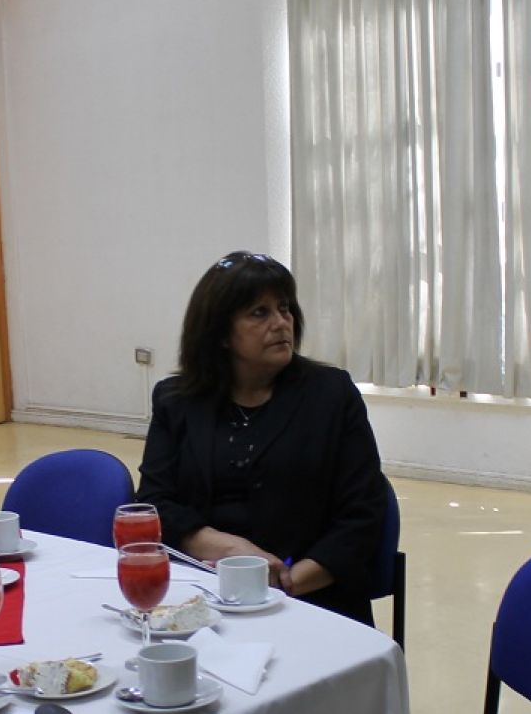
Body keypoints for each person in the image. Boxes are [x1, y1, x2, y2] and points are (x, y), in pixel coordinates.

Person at [136, 251, 387, 625]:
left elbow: (365, 511)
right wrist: (227, 549)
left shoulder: (331, 395)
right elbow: (154, 503)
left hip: (310, 598)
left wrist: (290, 581)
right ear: (220, 333)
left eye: (284, 309)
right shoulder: (177, 401)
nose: (281, 322)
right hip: (199, 591)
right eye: (259, 312)